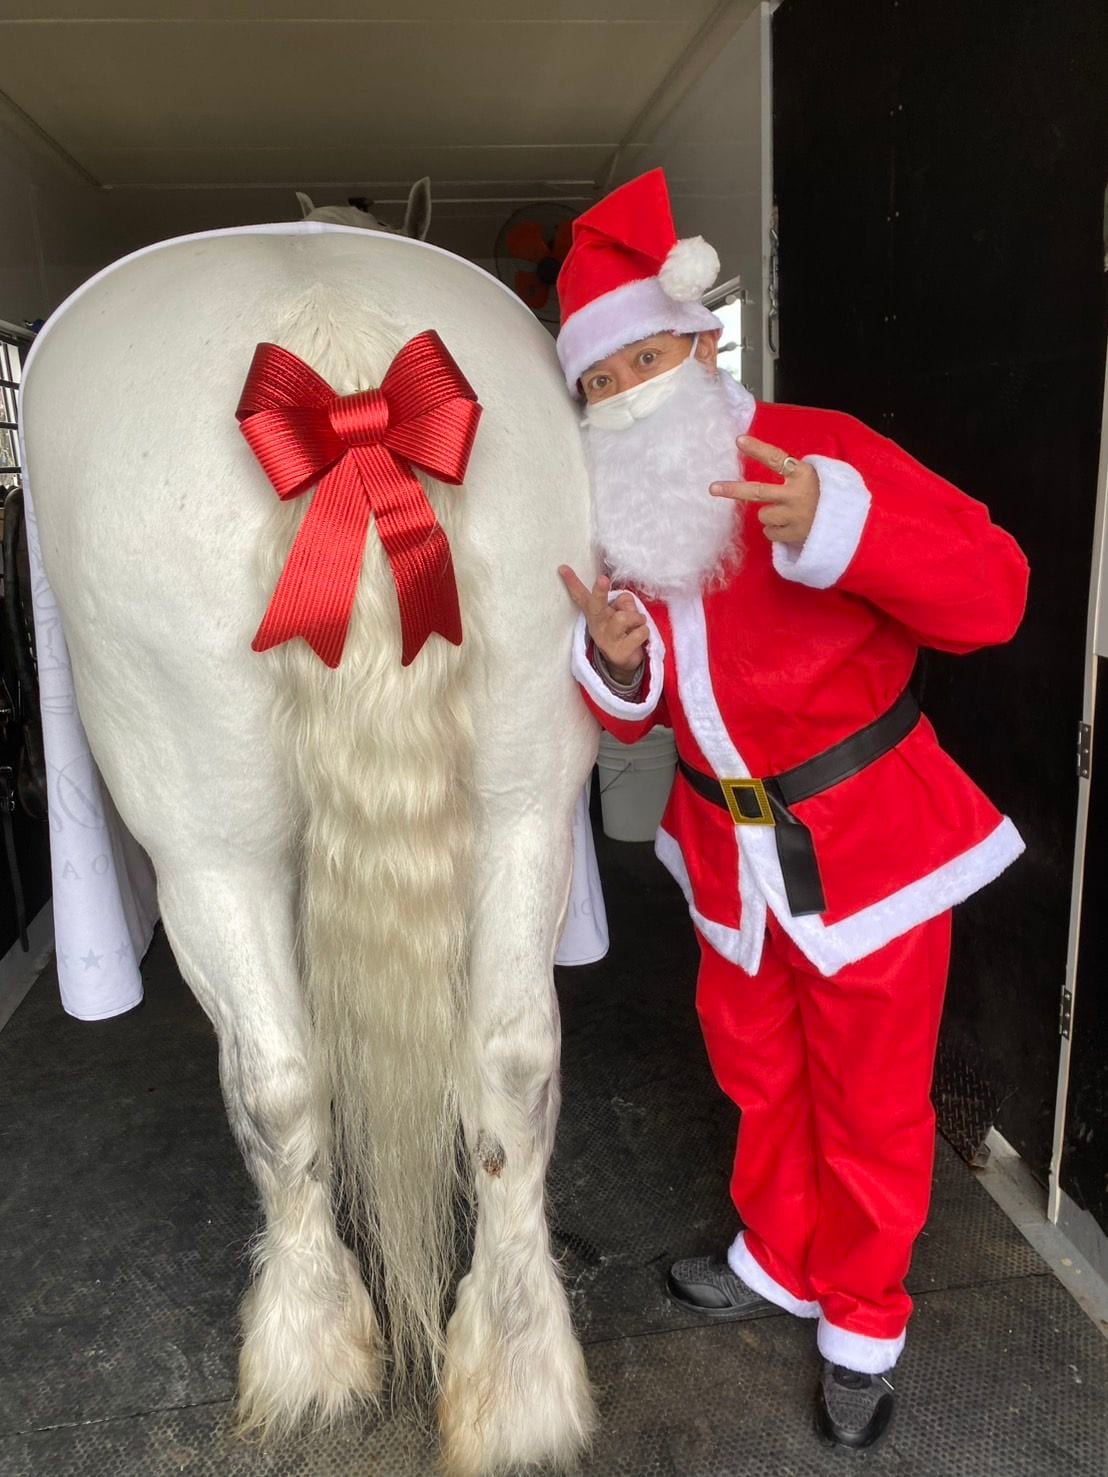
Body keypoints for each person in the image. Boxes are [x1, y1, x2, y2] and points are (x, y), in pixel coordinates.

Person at [556, 169, 1028, 1450]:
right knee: (757, 1074)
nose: (622, 395)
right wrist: (613, 654)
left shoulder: (818, 447)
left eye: (640, 361)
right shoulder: (617, 521)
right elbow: (641, 714)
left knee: (872, 1101)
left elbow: (995, 592)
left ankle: (863, 1315)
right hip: (724, 850)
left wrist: (841, 525)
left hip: (867, 838)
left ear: (701, 342)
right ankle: (777, 1257)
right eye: (596, 382)